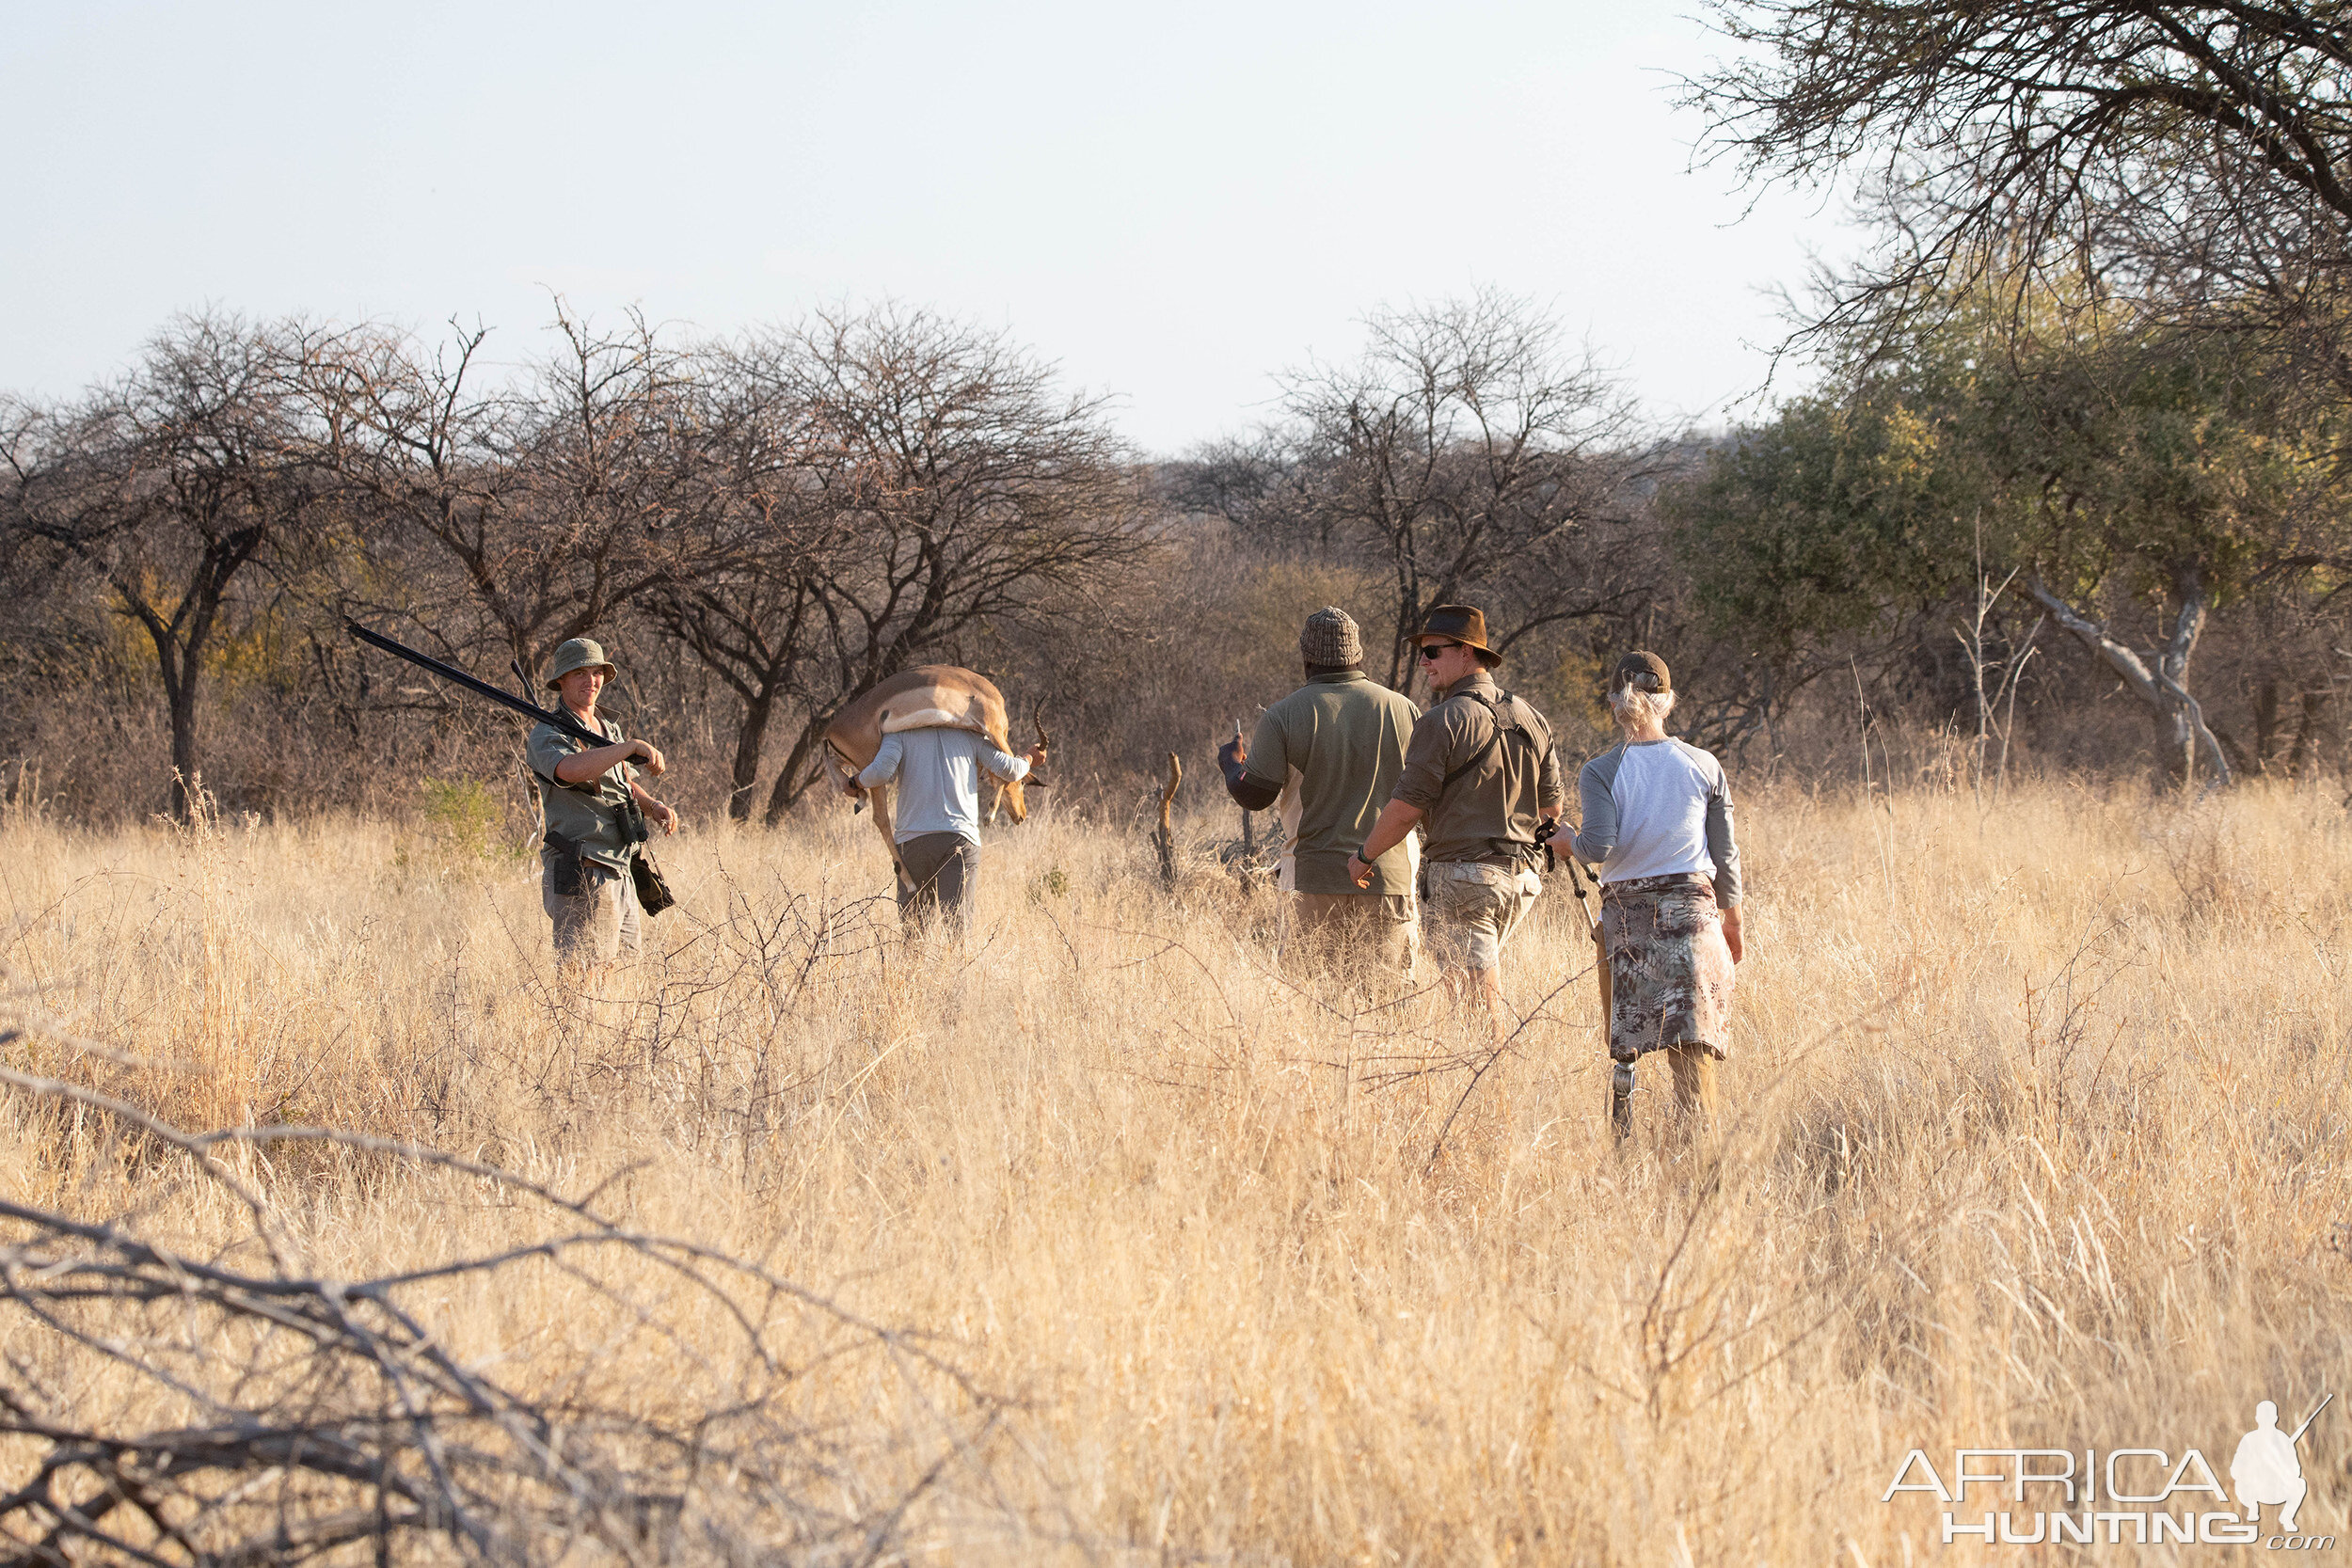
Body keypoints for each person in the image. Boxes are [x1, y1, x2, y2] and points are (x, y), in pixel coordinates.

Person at [1348, 605, 1565, 1035]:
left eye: (1432, 651)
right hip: (1522, 880)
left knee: (1477, 1014)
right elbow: (1552, 811)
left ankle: (1495, 1091)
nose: (1423, 661)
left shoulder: (1442, 720)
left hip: (1465, 881)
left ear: (1467, 653)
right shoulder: (1531, 717)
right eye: (1421, 653)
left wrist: (1364, 854)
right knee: (1478, 992)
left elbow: (1407, 808)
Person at [1569, 651, 1743, 1138]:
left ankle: (1624, 1161)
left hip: (1630, 926)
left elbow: (1597, 846)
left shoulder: (1601, 770)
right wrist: (1733, 922)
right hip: (1696, 919)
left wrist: (1567, 842)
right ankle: (1702, 1170)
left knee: (1626, 1056)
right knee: (1693, 1063)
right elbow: (1726, 858)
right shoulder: (1703, 764)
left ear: (1613, 703)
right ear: (1666, 703)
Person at [1218, 607, 1422, 974]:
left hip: (1312, 879)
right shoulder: (1404, 709)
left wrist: (1231, 765)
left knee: (1314, 1001)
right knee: (1389, 1004)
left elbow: (1255, 796)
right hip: (1388, 877)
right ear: (1357, 654)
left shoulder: (1283, 715)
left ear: (1306, 658)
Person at [526, 638, 680, 971]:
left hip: (621, 867)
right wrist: (630, 746)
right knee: (582, 981)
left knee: (622, 982)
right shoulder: (547, 734)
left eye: (596, 672)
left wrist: (653, 807)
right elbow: (568, 770)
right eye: (579, 672)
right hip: (584, 867)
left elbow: (622, 781)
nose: (590, 680)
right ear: (561, 680)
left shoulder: (608, 728)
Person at [850, 722, 1047, 926]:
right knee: (958, 927)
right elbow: (1011, 771)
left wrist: (853, 782)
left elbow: (880, 773)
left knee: (914, 928)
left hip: (913, 841)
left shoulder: (898, 734)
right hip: (959, 839)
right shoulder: (971, 736)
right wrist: (1029, 758)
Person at [2232, 1401, 2308, 1532]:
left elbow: (2296, 1470)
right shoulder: (2249, 1440)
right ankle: (2252, 1509)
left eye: (2269, 1417)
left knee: (2300, 1484)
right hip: (2253, 1490)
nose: (2266, 1421)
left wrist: (2281, 1468)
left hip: (2276, 1489)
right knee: (2240, 1485)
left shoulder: (2283, 1440)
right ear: (2257, 1418)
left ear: (2275, 1418)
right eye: (2263, 1417)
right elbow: (2235, 1470)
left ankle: (2287, 1517)